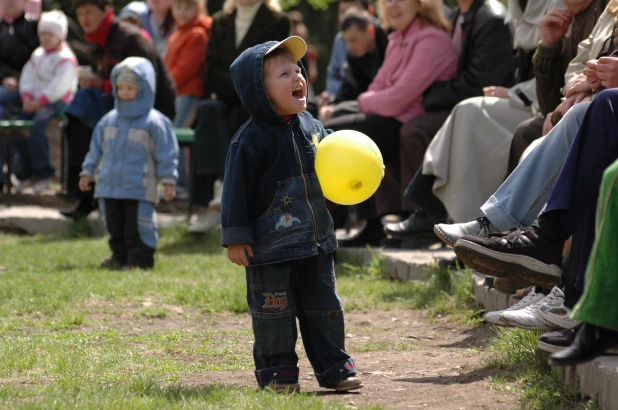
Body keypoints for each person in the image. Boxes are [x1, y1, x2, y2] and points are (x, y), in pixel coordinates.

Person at [222, 36, 362, 393]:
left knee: (326, 310)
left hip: (316, 244)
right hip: (269, 252)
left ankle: (336, 367)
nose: (297, 76)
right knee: (274, 317)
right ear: (259, 90)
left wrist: (356, 171)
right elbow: (235, 191)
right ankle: (278, 374)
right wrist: (236, 236)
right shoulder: (249, 141)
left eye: (297, 69)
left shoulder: (313, 127)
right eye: (283, 74)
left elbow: (337, 159)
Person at [324, 0, 459, 246]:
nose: (392, 5)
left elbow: (397, 98)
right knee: (334, 127)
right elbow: (379, 86)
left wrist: (369, 99)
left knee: (344, 133)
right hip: (392, 116)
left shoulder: (433, 40)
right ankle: (370, 223)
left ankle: (355, 223)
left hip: (412, 118)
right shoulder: (397, 39)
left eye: (400, 0)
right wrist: (375, 98)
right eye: (388, 0)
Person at [62, 0, 176, 219]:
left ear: (107, 12)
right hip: (118, 106)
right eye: (80, 13)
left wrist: (101, 85)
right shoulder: (95, 42)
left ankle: (82, 193)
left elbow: (147, 84)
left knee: (84, 103)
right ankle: (82, 191)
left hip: (151, 110)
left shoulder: (130, 38)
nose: (84, 19)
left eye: (89, 12)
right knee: (77, 114)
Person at [188, 0, 290, 233]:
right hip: (225, 96)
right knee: (208, 110)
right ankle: (210, 202)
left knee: (242, 117)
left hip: (259, 97)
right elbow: (211, 69)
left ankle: (225, 193)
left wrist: (245, 85)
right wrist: (238, 83)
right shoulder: (221, 21)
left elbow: (272, 66)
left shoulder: (278, 22)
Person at [79, 57, 178, 270]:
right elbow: (95, 149)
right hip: (109, 185)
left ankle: (140, 259)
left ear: (144, 89)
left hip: (139, 187)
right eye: (120, 87)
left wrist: (168, 180)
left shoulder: (155, 122)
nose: (123, 92)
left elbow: (166, 153)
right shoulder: (108, 121)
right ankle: (119, 255)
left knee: (138, 225)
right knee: (114, 224)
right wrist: (87, 172)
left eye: (130, 88)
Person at [13, 10, 78, 193]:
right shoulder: (38, 55)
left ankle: (43, 174)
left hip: (56, 102)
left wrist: (40, 101)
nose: (45, 37)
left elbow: (60, 86)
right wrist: (26, 97)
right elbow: (27, 77)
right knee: (17, 128)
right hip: (34, 101)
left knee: (35, 129)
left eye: (50, 34)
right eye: (42, 33)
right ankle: (24, 173)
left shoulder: (66, 58)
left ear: (60, 35)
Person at [164, 0, 211, 200]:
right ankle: (177, 182)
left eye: (188, 8)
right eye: (178, 8)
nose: (182, 13)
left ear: (198, 9)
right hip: (176, 93)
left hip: (188, 93)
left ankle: (183, 185)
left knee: (178, 137)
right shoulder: (176, 33)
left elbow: (185, 70)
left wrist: (165, 85)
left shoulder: (197, 35)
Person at [318, 8, 388, 122]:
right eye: (347, 41)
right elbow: (351, 87)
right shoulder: (354, 55)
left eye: (353, 40)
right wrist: (332, 104)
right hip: (365, 103)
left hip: (385, 106)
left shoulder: (389, 44)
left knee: (332, 122)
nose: (349, 47)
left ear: (370, 31)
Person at [0, 0, 39, 192]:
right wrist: (3, 78)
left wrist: (20, 80)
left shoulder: (34, 27)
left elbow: (40, 59)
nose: (9, 2)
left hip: (29, 90)